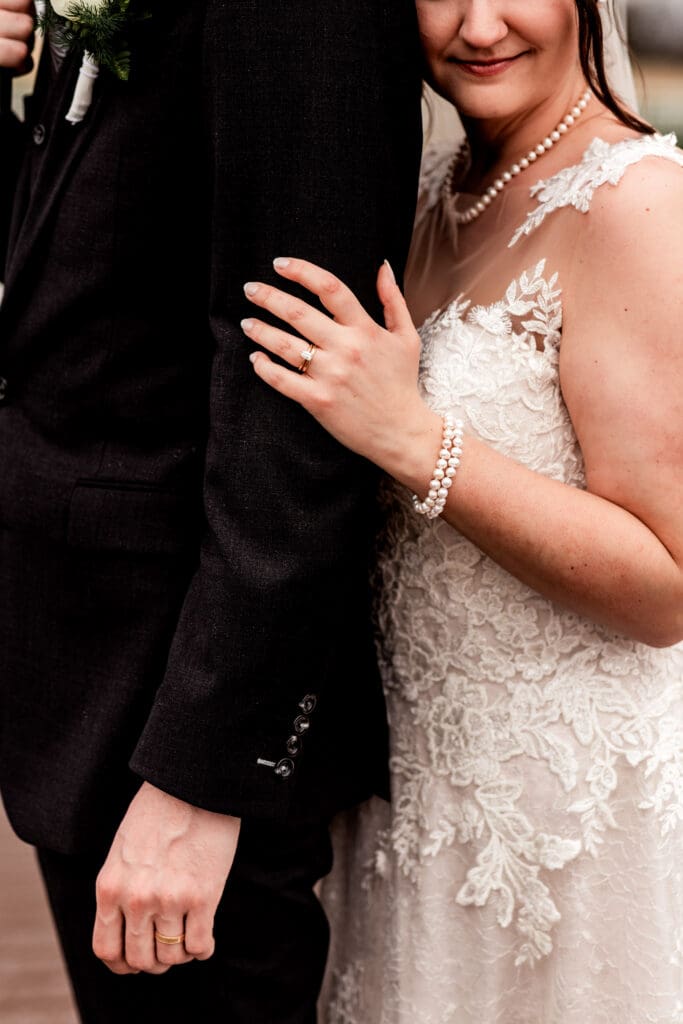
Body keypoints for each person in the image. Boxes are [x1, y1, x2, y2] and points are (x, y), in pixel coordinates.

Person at [240, 0, 683, 1020]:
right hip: (423, 814)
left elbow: (667, 582)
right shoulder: (440, 191)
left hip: (572, 831)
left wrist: (411, 439)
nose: (477, 24)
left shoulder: (634, 207)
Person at [0, 2, 422, 1021]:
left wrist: (203, 777)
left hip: (178, 720)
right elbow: (52, 277)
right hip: (89, 683)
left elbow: (297, 397)